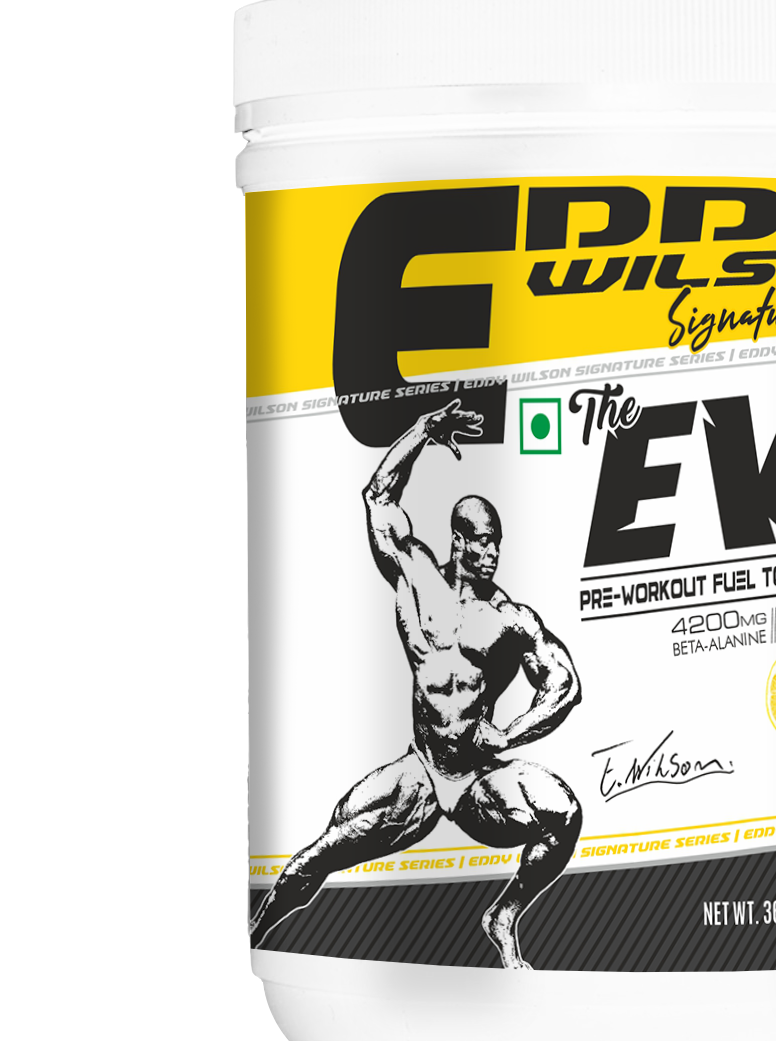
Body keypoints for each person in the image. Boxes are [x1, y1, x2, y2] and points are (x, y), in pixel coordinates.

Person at [249, 400, 584, 969]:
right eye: (481, 542)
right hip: (421, 772)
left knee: (564, 814)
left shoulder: (509, 621)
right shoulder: (415, 575)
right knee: (321, 852)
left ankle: (503, 916)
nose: (491, 554)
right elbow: (378, 498)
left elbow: (565, 684)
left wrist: (508, 736)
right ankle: (251, 941)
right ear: (459, 540)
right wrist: (424, 430)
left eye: (497, 544)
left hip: (478, 781)